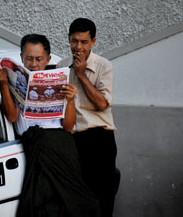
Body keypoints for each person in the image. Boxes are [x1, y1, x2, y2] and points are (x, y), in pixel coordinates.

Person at [0, 34, 100, 217]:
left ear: (48, 59)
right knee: (39, 206)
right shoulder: (15, 80)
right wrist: (4, 85)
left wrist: (71, 100)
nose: (33, 64)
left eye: (38, 59)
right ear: (21, 58)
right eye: (29, 58)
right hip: (34, 147)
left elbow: (68, 127)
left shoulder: (60, 82)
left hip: (60, 148)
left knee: (72, 205)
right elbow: (12, 116)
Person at [56, 18, 118, 217]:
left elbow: (101, 104)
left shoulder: (103, 66)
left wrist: (81, 75)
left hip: (99, 139)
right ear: (68, 39)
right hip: (72, 139)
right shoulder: (62, 65)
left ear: (93, 42)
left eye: (84, 42)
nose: (78, 47)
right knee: (75, 199)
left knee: (102, 198)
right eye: (74, 41)